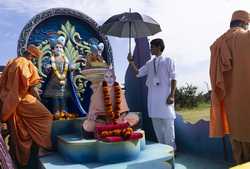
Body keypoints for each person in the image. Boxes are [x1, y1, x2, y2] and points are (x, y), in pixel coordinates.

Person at [0, 44, 53, 168]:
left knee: (22, 128)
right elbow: (31, 86)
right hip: (22, 100)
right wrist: (39, 99)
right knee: (46, 116)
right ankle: (43, 148)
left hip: (10, 101)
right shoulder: (26, 63)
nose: (33, 60)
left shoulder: (11, 62)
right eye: (34, 58)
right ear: (32, 55)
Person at [210, 10, 250, 164]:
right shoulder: (246, 37)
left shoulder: (217, 44)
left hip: (230, 105)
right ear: (244, 23)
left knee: (237, 140)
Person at [127, 38, 177, 149]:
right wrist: (131, 62)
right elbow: (138, 73)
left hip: (165, 98)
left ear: (159, 47)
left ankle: (172, 150)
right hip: (153, 101)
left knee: (169, 126)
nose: (150, 49)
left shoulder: (168, 60)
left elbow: (174, 78)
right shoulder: (149, 63)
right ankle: (163, 150)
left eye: (152, 46)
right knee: (157, 126)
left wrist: (172, 95)